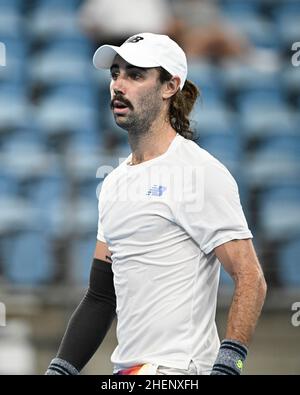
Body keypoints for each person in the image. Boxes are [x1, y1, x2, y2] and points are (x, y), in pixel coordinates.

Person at [46, 33, 267, 376]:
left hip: (180, 369)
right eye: (115, 74)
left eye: (135, 75)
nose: (118, 85)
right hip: (128, 371)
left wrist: (229, 364)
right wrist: (60, 370)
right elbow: (101, 297)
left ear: (169, 86)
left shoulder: (199, 172)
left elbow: (250, 277)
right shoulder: (115, 183)